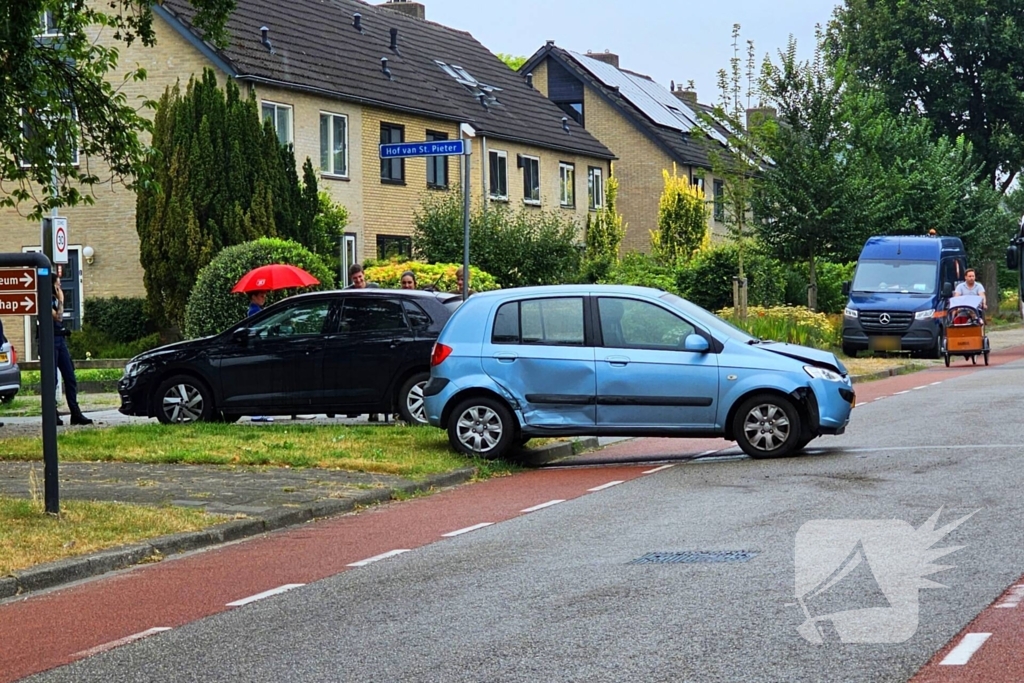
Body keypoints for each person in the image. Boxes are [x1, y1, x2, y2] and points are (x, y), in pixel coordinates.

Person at [51, 278, 93, 426]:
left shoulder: (55, 299)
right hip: (49, 341)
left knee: (70, 377)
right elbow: (58, 316)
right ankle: (52, 413)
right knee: (52, 380)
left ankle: (75, 413)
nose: (60, 286)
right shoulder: (45, 298)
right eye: (57, 283)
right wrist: (61, 300)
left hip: (60, 341)